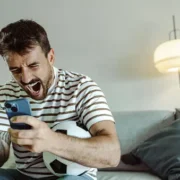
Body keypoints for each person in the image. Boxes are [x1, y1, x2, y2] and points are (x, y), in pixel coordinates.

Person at [0, 19, 121, 180]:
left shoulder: (81, 87)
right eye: (15, 70)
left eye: (33, 66)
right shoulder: (6, 93)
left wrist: (51, 141)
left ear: (50, 57)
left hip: (74, 177)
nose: (26, 79)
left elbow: (112, 154)